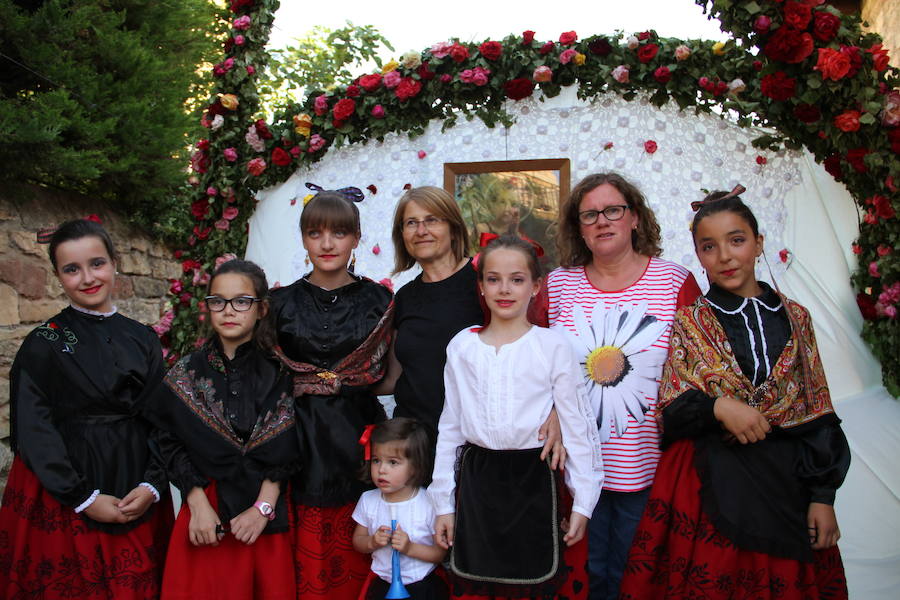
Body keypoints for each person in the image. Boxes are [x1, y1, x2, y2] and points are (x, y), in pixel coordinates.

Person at [619, 187, 850, 599]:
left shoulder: (796, 318)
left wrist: (823, 496)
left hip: (786, 484)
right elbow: (671, 408)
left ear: (759, 244)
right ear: (698, 253)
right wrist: (719, 407)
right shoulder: (690, 321)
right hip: (710, 482)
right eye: (709, 246)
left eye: (737, 240)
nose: (724, 256)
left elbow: (816, 407)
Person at [547, 172, 701, 600]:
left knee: (636, 575)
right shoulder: (559, 285)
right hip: (576, 468)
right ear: (579, 227)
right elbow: (535, 365)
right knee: (585, 576)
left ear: (634, 217)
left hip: (650, 461)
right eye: (590, 214)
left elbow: (700, 365)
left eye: (613, 210)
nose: (602, 221)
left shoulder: (674, 282)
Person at [0, 218, 171, 600]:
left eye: (97, 263)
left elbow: (161, 416)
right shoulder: (44, 341)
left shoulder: (142, 338)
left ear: (114, 263)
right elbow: (33, 427)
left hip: (135, 480)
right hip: (68, 486)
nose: (88, 277)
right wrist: (83, 497)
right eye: (72, 269)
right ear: (58, 276)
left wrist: (152, 485)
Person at [430, 234, 604, 600]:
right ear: (480, 286)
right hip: (478, 483)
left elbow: (577, 428)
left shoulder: (552, 345)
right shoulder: (462, 347)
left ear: (536, 286)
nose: (504, 289)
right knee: (480, 581)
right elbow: (450, 429)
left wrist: (584, 502)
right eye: (493, 279)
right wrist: (443, 505)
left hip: (535, 481)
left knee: (536, 580)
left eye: (517, 279)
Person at [269, 185, 394, 600]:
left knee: (365, 545)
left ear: (356, 238)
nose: (326, 244)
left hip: (361, 436)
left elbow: (393, 374)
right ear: (303, 238)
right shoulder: (278, 304)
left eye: (338, 233)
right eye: (315, 233)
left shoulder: (381, 300)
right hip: (295, 439)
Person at [149, 259, 298, 600]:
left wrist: (263, 509)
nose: (228, 310)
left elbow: (286, 450)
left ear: (261, 309)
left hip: (262, 517)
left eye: (241, 301)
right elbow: (168, 442)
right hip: (206, 513)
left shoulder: (279, 373)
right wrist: (198, 504)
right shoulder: (185, 373)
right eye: (218, 301)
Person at [377, 186, 561, 461]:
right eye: (411, 223)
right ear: (401, 235)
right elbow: (394, 377)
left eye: (432, 220)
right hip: (414, 446)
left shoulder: (486, 281)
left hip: (478, 445)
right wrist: (330, 382)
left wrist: (559, 411)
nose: (421, 230)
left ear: (453, 227)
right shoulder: (404, 297)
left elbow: (540, 355)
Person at [352, 417, 447, 600]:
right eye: (376, 460)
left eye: (393, 462)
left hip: (422, 586)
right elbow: (357, 541)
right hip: (382, 585)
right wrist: (372, 542)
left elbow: (440, 553)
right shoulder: (368, 500)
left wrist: (409, 547)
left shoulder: (428, 502)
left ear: (415, 467)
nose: (381, 470)